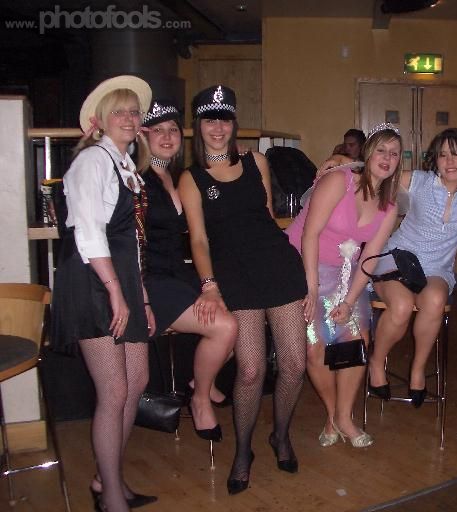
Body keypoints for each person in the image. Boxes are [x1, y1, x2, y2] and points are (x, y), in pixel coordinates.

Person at [178, 85, 308, 495]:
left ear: (234, 124)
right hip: (233, 274)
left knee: (294, 364)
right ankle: (243, 450)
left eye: (225, 119)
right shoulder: (191, 178)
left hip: (277, 266)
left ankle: (281, 435)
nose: (218, 127)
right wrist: (209, 285)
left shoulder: (257, 161)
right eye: (209, 120)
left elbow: (266, 215)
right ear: (199, 125)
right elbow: (199, 240)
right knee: (250, 370)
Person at [51, 75, 156, 511]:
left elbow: (133, 241)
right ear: (99, 121)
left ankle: (105, 477)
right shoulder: (92, 161)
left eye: (134, 111)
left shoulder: (126, 165)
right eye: (119, 112)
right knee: (113, 391)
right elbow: (89, 233)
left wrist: (140, 295)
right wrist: (116, 290)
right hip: (93, 281)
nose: (129, 118)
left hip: (121, 279)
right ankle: (111, 494)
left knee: (137, 381)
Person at [286, 123, 401, 448]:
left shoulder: (389, 205)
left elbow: (370, 258)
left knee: (356, 338)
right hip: (301, 264)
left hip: (345, 272)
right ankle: (332, 413)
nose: (386, 158)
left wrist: (350, 301)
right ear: (368, 152)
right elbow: (309, 234)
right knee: (314, 347)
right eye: (381, 150)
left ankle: (344, 416)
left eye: (394, 154)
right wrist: (311, 288)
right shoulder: (339, 180)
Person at [140, 100, 238, 440]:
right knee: (225, 327)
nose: (167, 137)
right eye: (158, 131)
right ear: (143, 136)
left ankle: (201, 381)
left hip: (178, 273)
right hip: (149, 278)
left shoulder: (176, 175)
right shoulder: (135, 178)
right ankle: (199, 400)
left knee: (243, 313)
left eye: (172, 130)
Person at [366, 128, 457, 408]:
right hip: (396, 258)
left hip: (436, 268)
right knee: (402, 305)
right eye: (443, 155)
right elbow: (374, 174)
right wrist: (340, 163)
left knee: (436, 300)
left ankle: (417, 369)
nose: (449, 161)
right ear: (435, 159)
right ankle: (376, 362)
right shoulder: (418, 180)